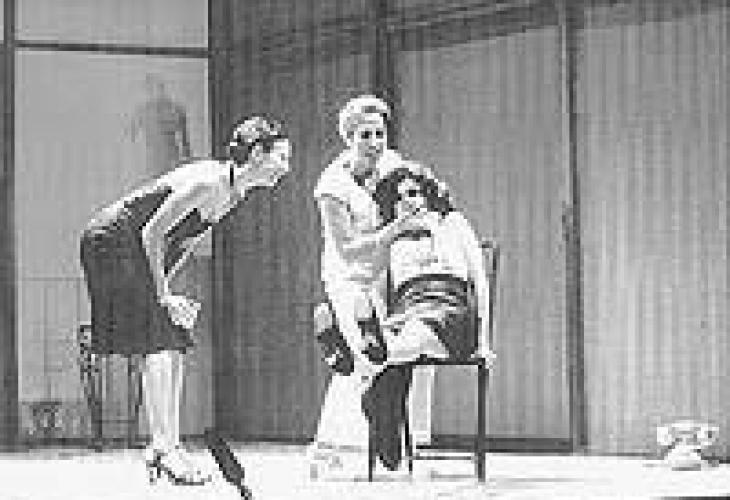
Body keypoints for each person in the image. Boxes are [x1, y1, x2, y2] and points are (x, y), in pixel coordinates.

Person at [79, 116, 291, 485]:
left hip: (135, 248)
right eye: (282, 158)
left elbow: (182, 243)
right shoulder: (209, 181)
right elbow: (152, 233)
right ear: (258, 153)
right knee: (159, 345)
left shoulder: (233, 195)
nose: (285, 168)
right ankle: (166, 449)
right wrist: (162, 295)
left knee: (173, 342)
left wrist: (168, 294)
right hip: (110, 241)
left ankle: (166, 447)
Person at [309, 95, 431, 478]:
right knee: (368, 357)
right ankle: (345, 451)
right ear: (348, 138)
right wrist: (394, 229)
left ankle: (395, 445)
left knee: (405, 351)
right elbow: (346, 248)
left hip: (388, 273)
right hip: (349, 277)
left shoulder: (393, 164)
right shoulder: (331, 185)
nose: (375, 143)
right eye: (365, 135)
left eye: (380, 134)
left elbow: (418, 200)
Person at [359, 166, 492, 471]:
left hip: (450, 308)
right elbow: (374, 284)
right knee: (408, 332)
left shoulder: (453, 224)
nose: (407, 201)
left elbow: (480, 282)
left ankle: (373, 366)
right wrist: (392, 234)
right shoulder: (391, 236)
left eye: (413, 193)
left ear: (429, 194)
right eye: (398, 198)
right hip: (409, 307)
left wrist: (484, 341)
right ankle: (380, 361)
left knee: (414, 335)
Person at [129, 74, 191, 176]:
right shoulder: (142, 111)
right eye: (150, 89)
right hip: (153, 162)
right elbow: (131, 139)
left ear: (161, 88)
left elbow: (185, 143)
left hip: (171, 161)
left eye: (156, 88)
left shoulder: (176, 109)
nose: (154, 92)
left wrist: (186, 161)